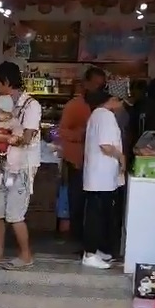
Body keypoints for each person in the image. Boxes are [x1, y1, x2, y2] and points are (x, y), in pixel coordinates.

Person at [0, 61, 41, 269]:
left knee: (15, 214)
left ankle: (26, 256)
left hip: (21, 166)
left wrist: (0, 137)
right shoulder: (2, 104)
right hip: (2, 164)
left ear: (6, 81)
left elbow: (25, 138)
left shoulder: (31, 105)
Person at [58, 68, 106, 248]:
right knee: (77, 201)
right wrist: (83, 135)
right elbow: (61, 131)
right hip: (78, 162)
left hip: (98, 163)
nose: (96, 87)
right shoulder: (74, 106)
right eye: (94, 83)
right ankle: (77, 239)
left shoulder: (104, 106)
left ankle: (92, 240)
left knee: (95, 204)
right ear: (85, 83)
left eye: (100, 85)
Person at [82, 90, 125, 270]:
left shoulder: (97, 114)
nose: (123, 107)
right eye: (122, 102)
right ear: (113, 100)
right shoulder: (106, 116)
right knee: (96, 215)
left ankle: (96, 250)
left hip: (98, 175)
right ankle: (90, 254)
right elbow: (106, 146)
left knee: (98, 213)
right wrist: (122, 157)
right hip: (101, 175)